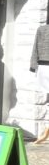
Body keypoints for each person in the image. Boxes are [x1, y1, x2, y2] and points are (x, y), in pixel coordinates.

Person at [32, 15, 49, 144]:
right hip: (44, 66)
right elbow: (35, 47)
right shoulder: (42, 29)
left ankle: (47, 130)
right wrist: (33, 65)